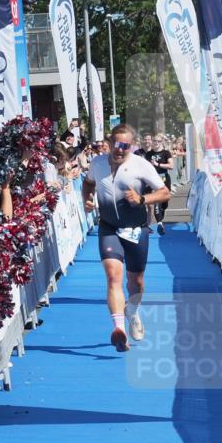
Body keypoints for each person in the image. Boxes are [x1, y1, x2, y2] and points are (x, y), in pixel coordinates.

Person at [81, 123, 170, 352]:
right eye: (116, 144)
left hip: (136, 230)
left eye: (126, 146)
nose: (120, 150)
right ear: (109, 143)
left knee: (136, 282)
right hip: (109, 227)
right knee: (113, 276)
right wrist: (88, 199)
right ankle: (118, 329)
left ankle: (133, 311)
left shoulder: (141, 165)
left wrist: (142, 200)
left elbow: (164, 192)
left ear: (131, 146)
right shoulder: (98, 163)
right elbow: (88, 183)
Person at [145, 134, 173, 234]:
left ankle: (161, 217)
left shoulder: (166, 153)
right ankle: (159, 223)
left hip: (165, 178)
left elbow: (171, 165)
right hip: (154, 179)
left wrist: (158, 164)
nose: (156, 143)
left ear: (161, 142)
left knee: (164, 203)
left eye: (158, 141)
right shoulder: (148, 154)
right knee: (157, 200)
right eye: (154, 141)